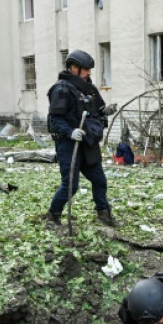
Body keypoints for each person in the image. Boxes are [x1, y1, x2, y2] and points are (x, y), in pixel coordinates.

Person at [43, 49, 117, 227]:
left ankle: (103, 214)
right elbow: (55, 119)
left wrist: (104, 111)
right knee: (71, 185)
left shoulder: (89, 89)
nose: (89, 73)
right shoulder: (61, 89)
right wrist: (70, 132)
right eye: (86, 69)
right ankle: (52, 216)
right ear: (73, 68)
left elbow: (97, 109)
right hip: (69, 145)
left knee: (99, 180)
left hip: (88, 142)